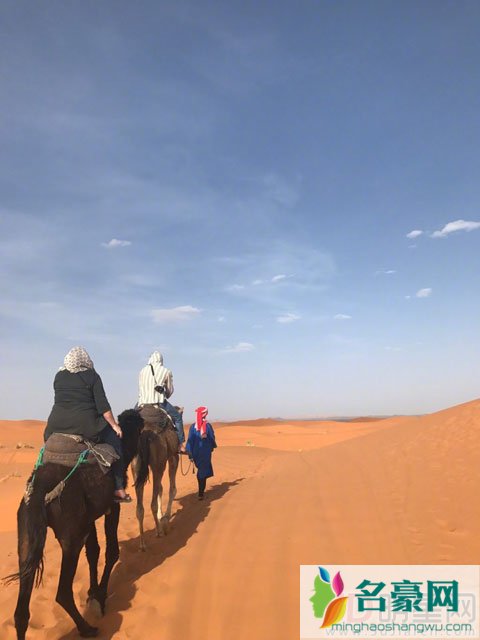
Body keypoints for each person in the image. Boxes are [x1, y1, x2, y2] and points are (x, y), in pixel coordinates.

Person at [44, 346, 131, 503]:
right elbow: (104, 408)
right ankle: (119, 488)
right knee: (116, 445)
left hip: (55, 425)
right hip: (86, 426)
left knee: (47, 445)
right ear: (86, 360)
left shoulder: (58, 376)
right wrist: (115, 426)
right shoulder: (92, 376)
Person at [138, 351, 185, 452]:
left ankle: (123, 444)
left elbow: (140, 388)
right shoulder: (166, 371)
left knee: (130, 419)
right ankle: (180, 444)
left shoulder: (142, 371)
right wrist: (165, 394)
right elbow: (169, 390)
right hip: (159, 402)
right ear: (161, 360)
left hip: (142, 402)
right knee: (177, 417)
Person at [186, 406, 217, 500]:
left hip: (195, 453)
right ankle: (201, 493)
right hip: (205, 452)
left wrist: (189, 452)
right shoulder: (207, 426)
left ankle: (201, 491)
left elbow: (189, 440)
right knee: (202, 472)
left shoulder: (192, 427)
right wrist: (212, 446)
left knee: (201, 470)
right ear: (205, 414)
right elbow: (212, 438)